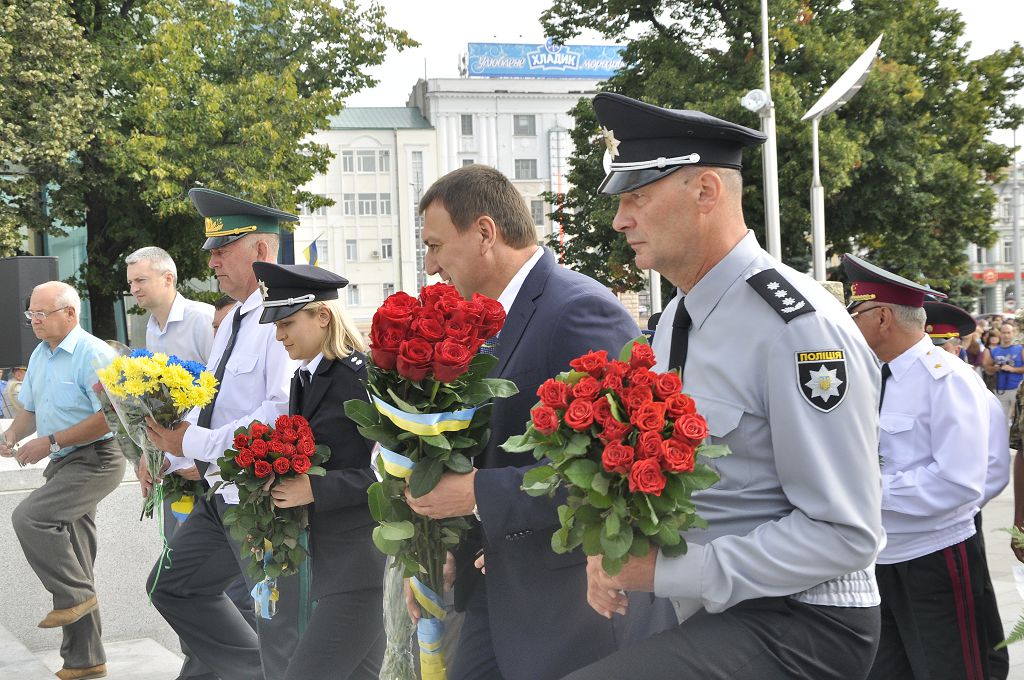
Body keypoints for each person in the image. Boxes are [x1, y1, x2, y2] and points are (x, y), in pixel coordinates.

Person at [562, 93, 884, 680]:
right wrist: (615, 547)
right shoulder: (677, 323)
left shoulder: (798, 328)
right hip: (718, 614)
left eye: (637, 197)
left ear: (706, 192)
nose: (619, 219)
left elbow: (845, 534)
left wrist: (664, 572)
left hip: (806, 622)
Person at [403, 164, 675, 680]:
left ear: (485, 233)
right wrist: (451, 548)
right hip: (503, 589)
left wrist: (478, 494)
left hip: (573, 607)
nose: (431, 266)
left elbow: (618, 471)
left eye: (436, 246)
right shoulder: (491, 320)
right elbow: (498, 450)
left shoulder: (578, 310)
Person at [141, 188, 302, 680]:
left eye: (222, 248)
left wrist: (194, 445)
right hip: (220, 488)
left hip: (260, 496)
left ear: (261, 251)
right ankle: (254, 673)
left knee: (276, 620)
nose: (211, 260)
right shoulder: (233, 317)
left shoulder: (284, 312)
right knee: (171, 586)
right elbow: (214, 402)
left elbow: (278, 413)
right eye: (211, 250)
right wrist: (170, 455)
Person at [843, 255, 991, 680]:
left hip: (934, 556)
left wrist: (868, 490)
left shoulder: (948, 379)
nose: (850, 323)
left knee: (949, 669)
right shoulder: (872, 376)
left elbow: (960, 482)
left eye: (856, 313)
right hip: (879, 556)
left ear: (883, 316)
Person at [253, 261, 385, 679]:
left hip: (363, 564)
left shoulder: (356, 378)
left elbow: (392, 473)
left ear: (323, 316)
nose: (279, 335)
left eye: (288, 323)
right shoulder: (306, 378)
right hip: (336, 564)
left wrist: (315, 489)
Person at [1, 281, 126, 680]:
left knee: (30, 518)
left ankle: (74, 596)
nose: (34, 321)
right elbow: (32, 410)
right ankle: (85, 661)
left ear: (71, 314)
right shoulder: (40, 354)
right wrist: (9, 437)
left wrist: (49, 442)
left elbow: (109, 417)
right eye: (31, 314)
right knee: (76, 560)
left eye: (43, 313)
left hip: (98, 460)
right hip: (65, 463)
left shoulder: (95, 353)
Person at [926, 299, 1011, 680]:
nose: (936, 354)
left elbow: (994, 468)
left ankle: (989, 665)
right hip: (926, 520)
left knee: (973, 597)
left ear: (957, 346)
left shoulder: (967, 385)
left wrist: (962, 505)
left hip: (960, 515)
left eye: (942, 346)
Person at [126, 246, 215, 364]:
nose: (133, 289)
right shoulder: (152, 329)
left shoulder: (204, 319)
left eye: (141, 280)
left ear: (168, 279)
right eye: (130, 282)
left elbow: (226, 378)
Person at [984, 322, 1024, 421]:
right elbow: (987, 369)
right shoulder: (994, 350)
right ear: (1000, 334)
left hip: (1017, 389)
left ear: (1013, 333)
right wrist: (995, 368)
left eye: (1008, 332)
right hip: (1000, 390)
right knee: (1002, 420)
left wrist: (1013, 369)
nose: (1006, 335)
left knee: (1019, 420)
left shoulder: (1020, 348)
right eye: (1004, 333)